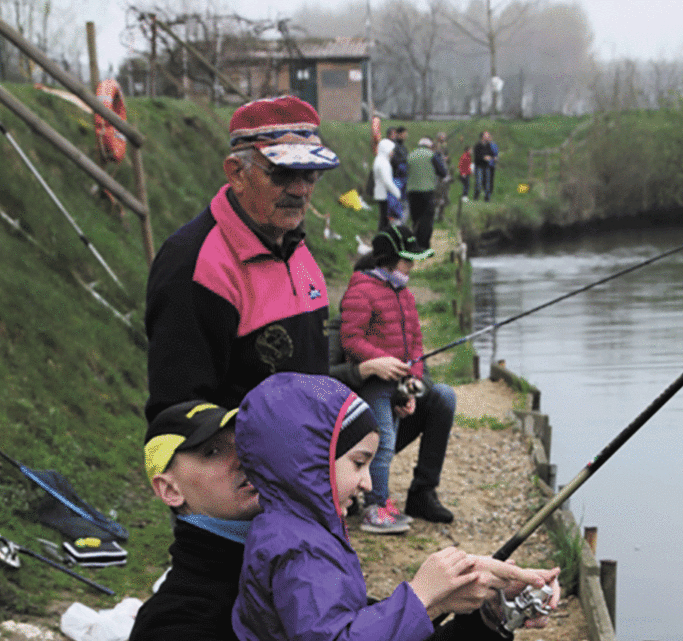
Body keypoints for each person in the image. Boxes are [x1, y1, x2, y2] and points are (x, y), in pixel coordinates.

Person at [130, 397, 561, 641]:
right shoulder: (166, 626)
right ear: (169, 490)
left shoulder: (301, 568)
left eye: (242, 442)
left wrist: (491, 613)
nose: (239, 458)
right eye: (210, 452)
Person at [144, 95, 340, 420]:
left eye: (311, 174)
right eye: (282, 173)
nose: (300, 190)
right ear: (236, 174)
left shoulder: (293, 242)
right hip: (246, 467)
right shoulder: (193, 264)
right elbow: (179, 417)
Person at [339, 224, 457, 530]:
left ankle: (414, 496)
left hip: (399, 385)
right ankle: (376, 507)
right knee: (383, 442)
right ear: (390, 260)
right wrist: (377, 362)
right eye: (408, 261)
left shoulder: (405, 296)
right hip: (374, 384)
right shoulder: (361, 290)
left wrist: (413, 382)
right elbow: (351, 339)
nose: (412, 267)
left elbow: (416, 344)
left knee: (391, 438)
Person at [405, 137, 448, 248]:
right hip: (427, 191)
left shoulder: (410, 155)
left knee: (416, 218)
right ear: (429, 146)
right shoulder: (431, 155)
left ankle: (415, 243)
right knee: (427, 218)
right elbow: (443, 172)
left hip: (411, 191)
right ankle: (424, 245)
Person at [372, 138, 402, 231]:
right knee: (385, 220)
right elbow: (387, 182)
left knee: (383, 218)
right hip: (384, 194)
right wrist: (397, 193)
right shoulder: (384, 163)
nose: (392, 153)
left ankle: (381, 238)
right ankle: (382, 239)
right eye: (391, 150)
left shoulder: (378, 160)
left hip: (379, 193)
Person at [473, 131, 497, 202]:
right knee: (479, 183)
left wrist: (493, 157)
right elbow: (477, 156)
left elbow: (491, 153)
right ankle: (476, 198)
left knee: (487, 183)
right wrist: (484, 157)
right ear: (482, 137)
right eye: (486, 135)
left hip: (487, 166)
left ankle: (487, 199)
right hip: (479, 166)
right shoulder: (478, 145)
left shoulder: (488, 145)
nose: (488, 137)